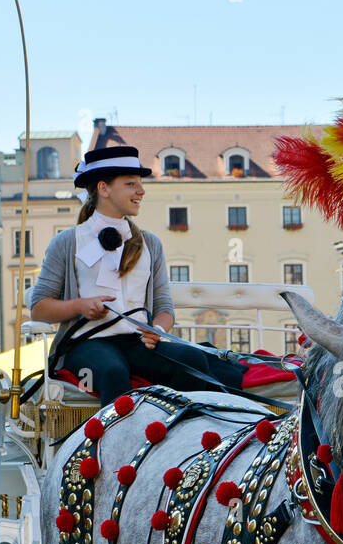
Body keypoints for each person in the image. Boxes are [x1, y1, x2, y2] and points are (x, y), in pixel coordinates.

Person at [28, 146, 246, 405]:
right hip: (85, 345)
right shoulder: (67, 242)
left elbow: (164, 308)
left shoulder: (150, 244)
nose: (141, 191)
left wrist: (157, 330)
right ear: (104, 188)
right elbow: (39, 309)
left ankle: (191, 437)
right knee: (112, 371)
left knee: (192, 360)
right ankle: (113, 445)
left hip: (136, 343)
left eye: (140, 184)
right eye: (131, 184)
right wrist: (80, 306)